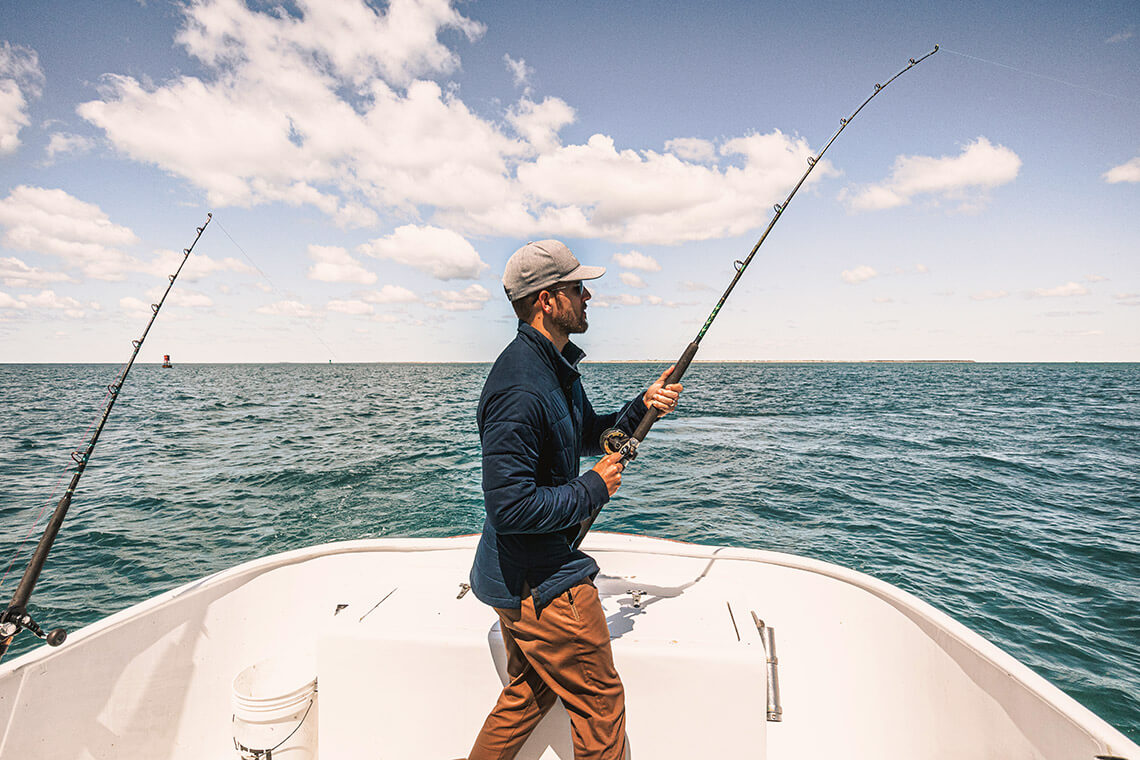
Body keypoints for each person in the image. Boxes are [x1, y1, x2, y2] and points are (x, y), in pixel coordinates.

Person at [467, 240, 682, 760]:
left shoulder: (553, 368)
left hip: (513, 576)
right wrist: (593, 487)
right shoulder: (520, 386)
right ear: (547, 299)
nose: (588, 296)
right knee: (601, 704)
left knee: (528, 694)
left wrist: (642, 407)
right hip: (540, 582)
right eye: (578, 288)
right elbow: (510, 508)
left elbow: (588, 434)